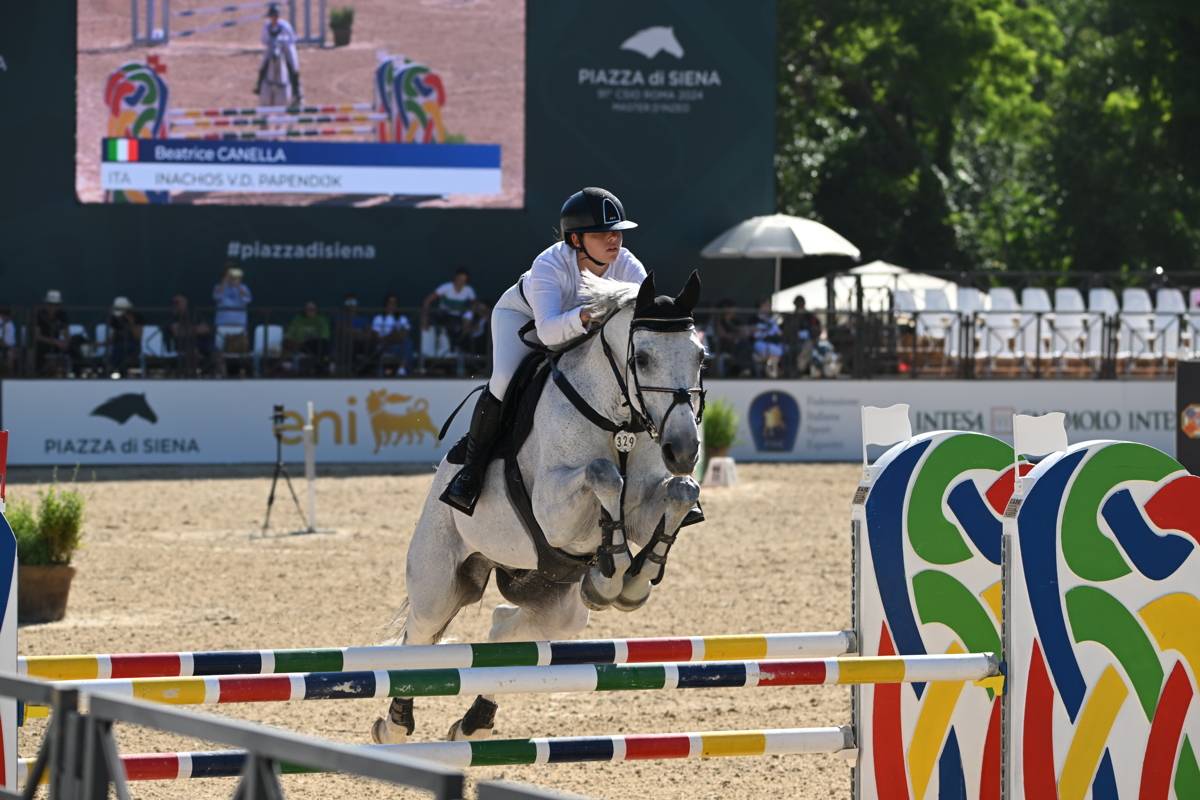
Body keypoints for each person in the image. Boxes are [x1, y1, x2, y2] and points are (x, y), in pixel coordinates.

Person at [441, 187, 645, 515]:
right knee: (504, 379)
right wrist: (586, 315)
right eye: (601, 233)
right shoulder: (549, 264)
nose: (614, 239)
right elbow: (548, 333)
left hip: (584, 328)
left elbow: (645, 316)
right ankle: (472, 471)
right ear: (576, 239)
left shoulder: (627, 265)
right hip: (524, 320)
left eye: (617, 232)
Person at [256, 3, 302, 103]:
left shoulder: (285, 26)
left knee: (293, 64)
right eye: (272, 16)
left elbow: (293, 39)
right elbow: (263, 40)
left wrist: (283, 41)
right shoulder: (266, 26)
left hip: (285, 48)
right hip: (272, 48)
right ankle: (259, 85)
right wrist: (271, 42)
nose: (274, 19)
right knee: (263, 63)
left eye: (275, 16)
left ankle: (297, 91)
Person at [422, 268, 477, 350]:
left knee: (465, 328)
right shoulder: (446, 287)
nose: (461, 282)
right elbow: (428, 300)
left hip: (457, 318)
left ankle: (457, 347)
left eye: (463, 280)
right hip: (443, 315)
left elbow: (474, 304)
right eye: (459, 279)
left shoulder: (469, 290)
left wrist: (468, 316)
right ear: (455, 278)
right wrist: (425, 315)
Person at [34, 289, 83, 375]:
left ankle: (78, 373)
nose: (53, 307)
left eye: (56, 305)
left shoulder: (62, 314)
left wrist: (66, 342)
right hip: (43, 343)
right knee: (38, 350)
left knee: (74, 348)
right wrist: (55, 342)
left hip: (57, 344)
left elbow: (66, 332)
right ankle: (38, 373)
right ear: (46, 304)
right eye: (50, 304)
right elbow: (37, 336)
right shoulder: (38, 314)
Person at [164, 294, 214, 375]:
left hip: (202, 343)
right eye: (175, 303)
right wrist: (196, 329)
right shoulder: (172, 317)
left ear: (186, 303)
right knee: (193, 352)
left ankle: (219, 377)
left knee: (217, 354)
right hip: (181, 345)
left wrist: (187, 329)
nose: (177, 305)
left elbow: (206, 329)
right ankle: (191, 377)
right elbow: (177, 332)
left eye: (179, 302)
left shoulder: (194, 315)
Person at [371, 293, 413, 376]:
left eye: (394, 303)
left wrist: (393, 336)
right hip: (384, 346)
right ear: (386, 304)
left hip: (398, 346)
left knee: (408, 343)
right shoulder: (379, 318)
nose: (392, 305)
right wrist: (392, 335)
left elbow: (404, 334)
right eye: (390, 302)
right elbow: (376, 337)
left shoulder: (402, 318)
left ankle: (402, 369)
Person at [284, 301, 331, 374]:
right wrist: (290, 339)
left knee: (323, 344)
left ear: (316, 310)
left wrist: (312, 337)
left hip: (316, 345)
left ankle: (322, 367)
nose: (310, 311)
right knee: (287, 343)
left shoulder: (321, 319)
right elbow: (290, 333)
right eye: (308, 309)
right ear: (305, 310)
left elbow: (325, 335)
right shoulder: (298, 319)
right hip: (300, 345)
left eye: (312, 309)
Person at [213, 264, 252, 350]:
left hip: (239, 326)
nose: (231, 277)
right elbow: (217, 297)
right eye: (229, 275)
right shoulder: (218, 287)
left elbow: (247, 300)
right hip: (222, 325)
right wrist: (225, 282)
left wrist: (238, 286)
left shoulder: (244, 288)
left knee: (240, 351)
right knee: (219, 350)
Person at [782, 296, 822, 377]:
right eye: (798, 304)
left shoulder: (810, 316)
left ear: (804, 304)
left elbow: (817, 329)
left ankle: (801, 369)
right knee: (789, 349)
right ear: (795, 305)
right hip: (794, 341)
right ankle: (795, 370)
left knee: (809, 346)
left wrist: (810, 333)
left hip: (809, 341)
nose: (800, 306)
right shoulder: (792, 317)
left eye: (801, 304)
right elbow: (785, 330)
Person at [106, 296, 144, 376]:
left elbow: (138, 337)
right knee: (118, 349)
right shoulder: (114, 319)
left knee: (121, 348)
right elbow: (112, 337)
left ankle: (115, 369)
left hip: (133, 346)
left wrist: (131, 323)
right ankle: (115, 370)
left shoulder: (137, 317)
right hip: (117, 346)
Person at [751, 298, 785, 378]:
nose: (768, 307)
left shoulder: (772, 319)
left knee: (781, 349)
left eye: (769, 305)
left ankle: (771, 370)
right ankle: (770, 370)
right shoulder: (753, 319)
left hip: (773, 343)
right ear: (760, 306)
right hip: (760, 342)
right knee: (774, 351)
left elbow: (779, 333)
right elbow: (754, 334)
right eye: (766, 305)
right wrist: (765, 329)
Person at [0, 307, 16, 374]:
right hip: (3, 347)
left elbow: (12, 337)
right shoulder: (1, 323)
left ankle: (9, 374)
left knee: (10, 358)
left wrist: (12, 347)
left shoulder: (10, 323)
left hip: (10, 346)